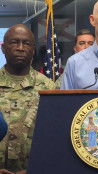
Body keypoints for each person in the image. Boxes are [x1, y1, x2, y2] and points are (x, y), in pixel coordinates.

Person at [0, 24, 55, 173]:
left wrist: (37, 169)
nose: (20, 48)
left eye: (26, 43)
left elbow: (54, 137)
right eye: (14, 42)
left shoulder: (49, 88)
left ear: (33, 50)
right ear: (3, 48)